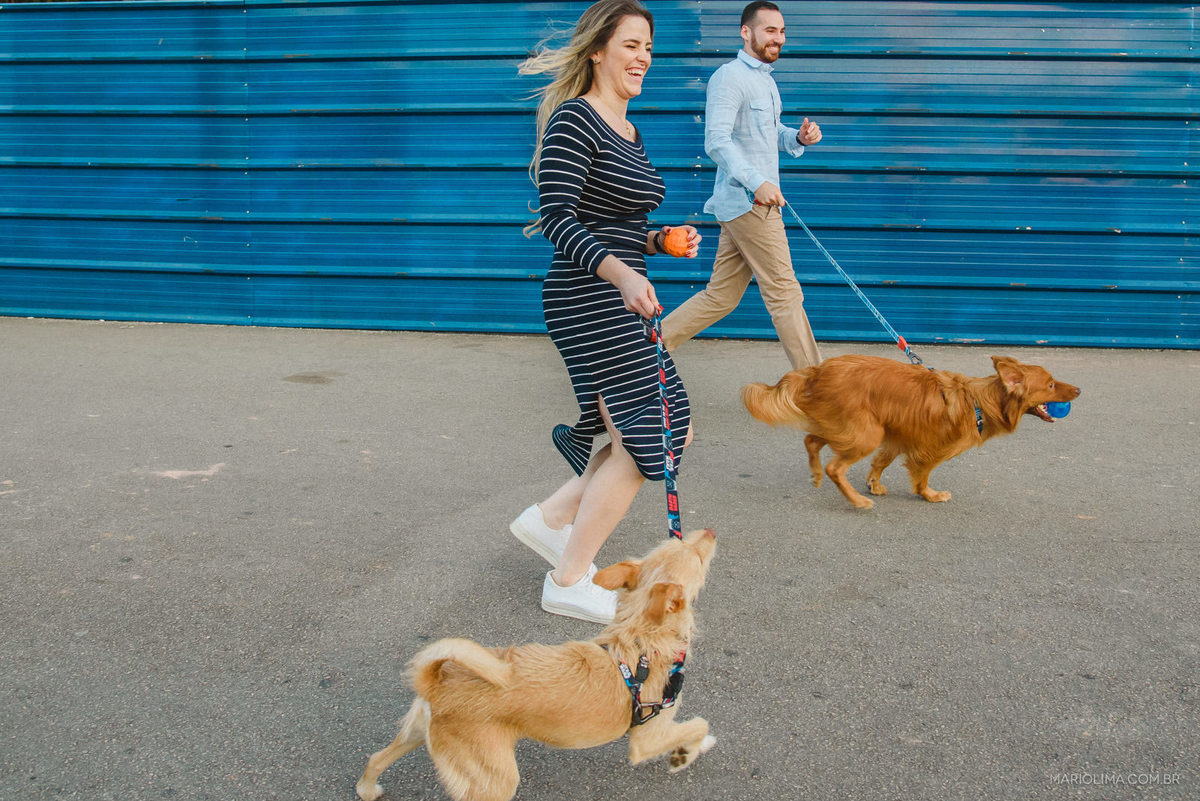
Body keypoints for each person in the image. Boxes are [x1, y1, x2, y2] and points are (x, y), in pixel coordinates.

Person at [512, 0, 701, 624]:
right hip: (587, 297)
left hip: (617, 291)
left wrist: (658, 242)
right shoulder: (576, 120)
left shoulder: (629, 130)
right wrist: (621, 271)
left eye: (649, 46)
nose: (643, 56)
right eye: (630, 45)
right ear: (597, 50)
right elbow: (558, 220)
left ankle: (551, 521)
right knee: (656, 431)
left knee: (626, 431)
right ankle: (569, 579)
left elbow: (616, 223)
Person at [662, 0, 824, 370]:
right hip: (751, 203)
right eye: (770, 30)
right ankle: (818, 386)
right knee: (784, 293)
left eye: (782, 31)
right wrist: (757, 183)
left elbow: (767, 136)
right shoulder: (729, 77)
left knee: (720, 297)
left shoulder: (765, 80)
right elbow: (717, 140)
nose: (779, 38)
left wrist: (797, 138)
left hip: (745, 204)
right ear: (746, 32)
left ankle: (647, 347)